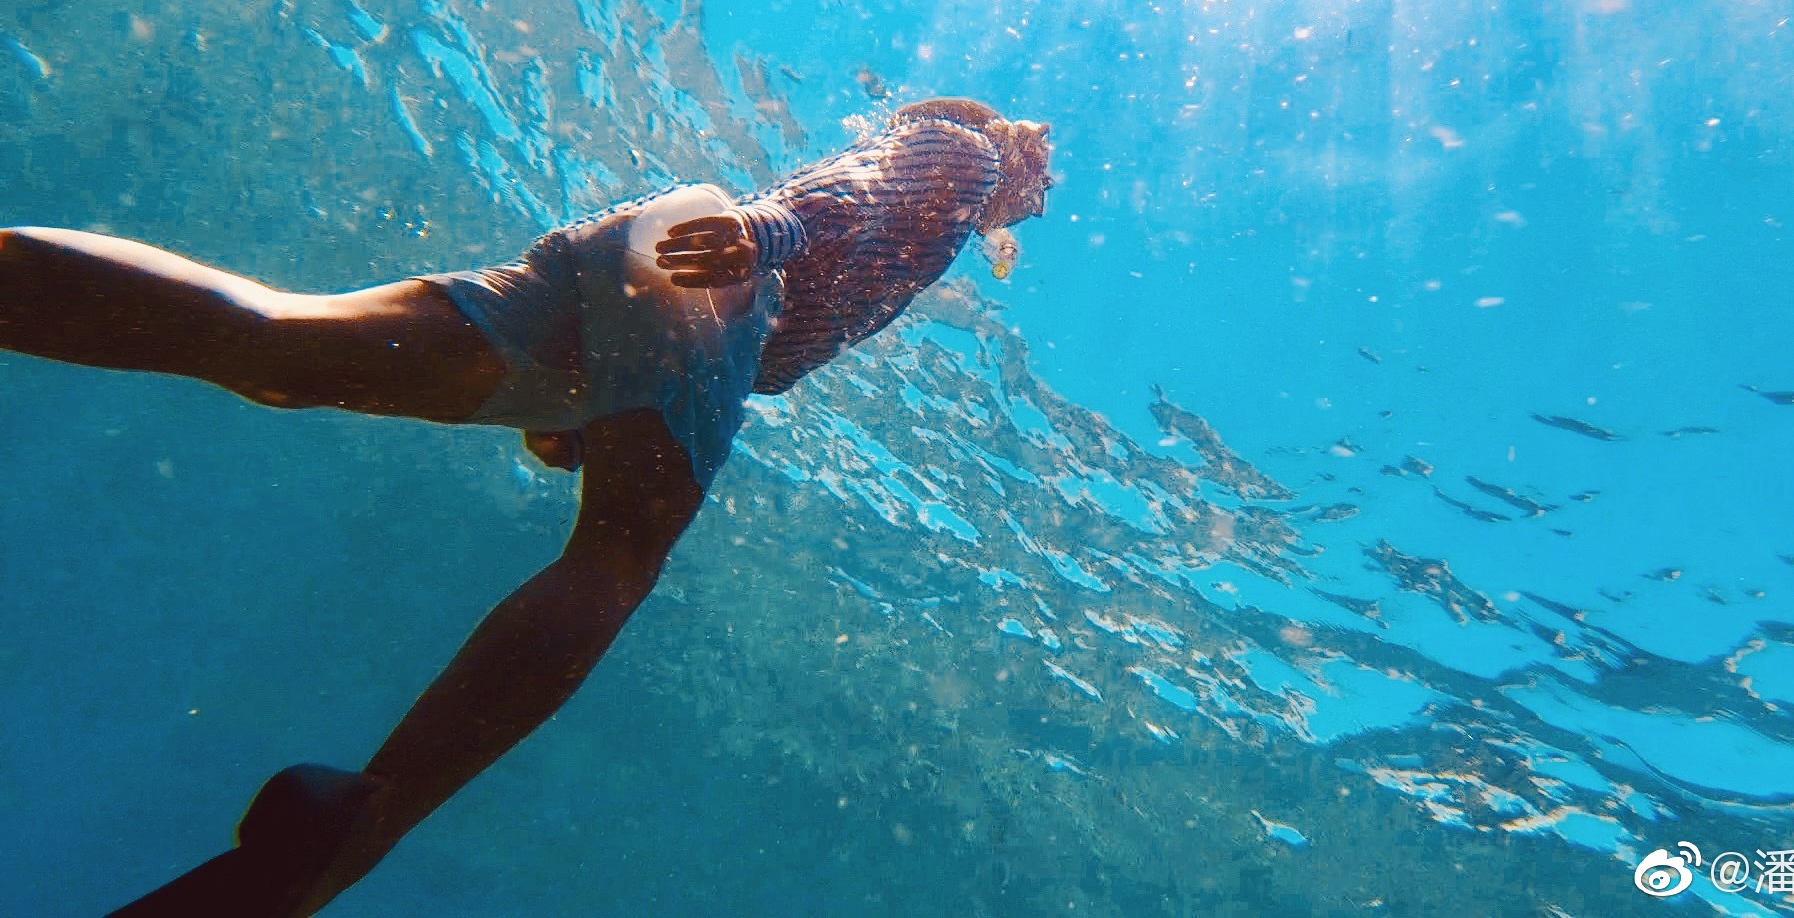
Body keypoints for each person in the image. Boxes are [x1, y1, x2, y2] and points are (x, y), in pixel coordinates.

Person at [0, 96, 1051, 916]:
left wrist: (599, 400)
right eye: (1041, 161)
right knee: (617, 558)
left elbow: (776, 326)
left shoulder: (942, 237)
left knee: (282, 347)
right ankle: (367, 825)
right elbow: (853, 190)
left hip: (654, 257)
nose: (1044, 174)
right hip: (715, 257)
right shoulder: (965, 159)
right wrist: (760, 233)